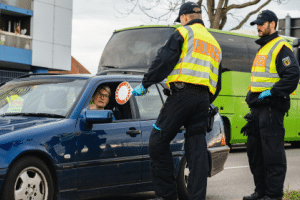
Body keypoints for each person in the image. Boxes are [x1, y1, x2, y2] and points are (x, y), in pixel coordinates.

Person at [132, 2, 222, 200]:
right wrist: (206, 98)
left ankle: (167, 195)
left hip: (182, 97)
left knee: (157, 141)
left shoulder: (183, 33)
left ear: (184, 17)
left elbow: (164, 60)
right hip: (203, 100)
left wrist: (146, 83)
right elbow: (218, 81)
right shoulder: (215, 44)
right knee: (196, 150)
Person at [242, 10, 300, 200]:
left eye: (261, 23)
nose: (258, 27)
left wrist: (272, 91)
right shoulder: (264, 47)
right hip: (258, 109)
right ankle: (261, 192)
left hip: (271, 108)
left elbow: (292, 75)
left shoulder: (281, 47)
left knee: (272, 155)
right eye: (256, 24)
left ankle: (273, 196)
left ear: (272, 24)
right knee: (255, 153)